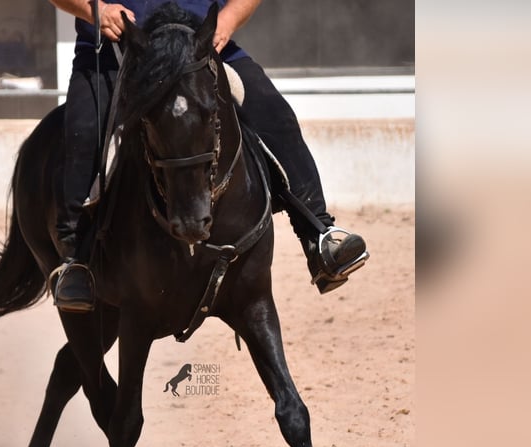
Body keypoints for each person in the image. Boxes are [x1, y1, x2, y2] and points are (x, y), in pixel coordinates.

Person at [49, 0, 368, 312]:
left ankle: (319, 236)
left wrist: (227, 19)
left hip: (200, 50)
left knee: (277, 118)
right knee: (84, 133)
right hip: (115, 53)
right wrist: (98, 10)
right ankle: (77, 261)